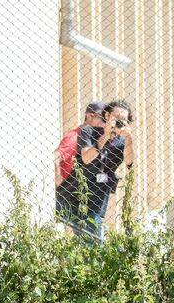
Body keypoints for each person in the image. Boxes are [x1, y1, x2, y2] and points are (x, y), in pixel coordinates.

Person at [56, 100, 136, 242]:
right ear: (107, 116)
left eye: (123, 119)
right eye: (116, 117)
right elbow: (86, 158)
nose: (119, 122)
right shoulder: (88, 131)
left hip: (95, 202)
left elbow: (129, 163)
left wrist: (129, 138)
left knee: (93, 244)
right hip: (69, 196)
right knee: (90, 244)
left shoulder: (122, 142)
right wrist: (105, 135)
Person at [53, 101, 106, 186]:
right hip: (72, 189)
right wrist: (61, 186)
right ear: (90, 116)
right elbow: (55, 157)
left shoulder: (98, 138)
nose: (105, 123)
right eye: (103, 119)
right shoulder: (75, 136)